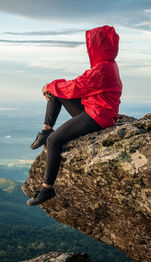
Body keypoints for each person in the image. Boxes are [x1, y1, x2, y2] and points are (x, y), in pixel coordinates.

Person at [27, 25, 122, 206]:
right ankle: (45, 129)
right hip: (94, 109)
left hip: (98, 116)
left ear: (97, 47)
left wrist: (48, 86)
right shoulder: (107, 65)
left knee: (54, 141)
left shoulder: (101, 70)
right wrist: (52, 86)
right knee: (56, 91)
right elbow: (77, 84)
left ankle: (47, 189)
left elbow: (76, 87)